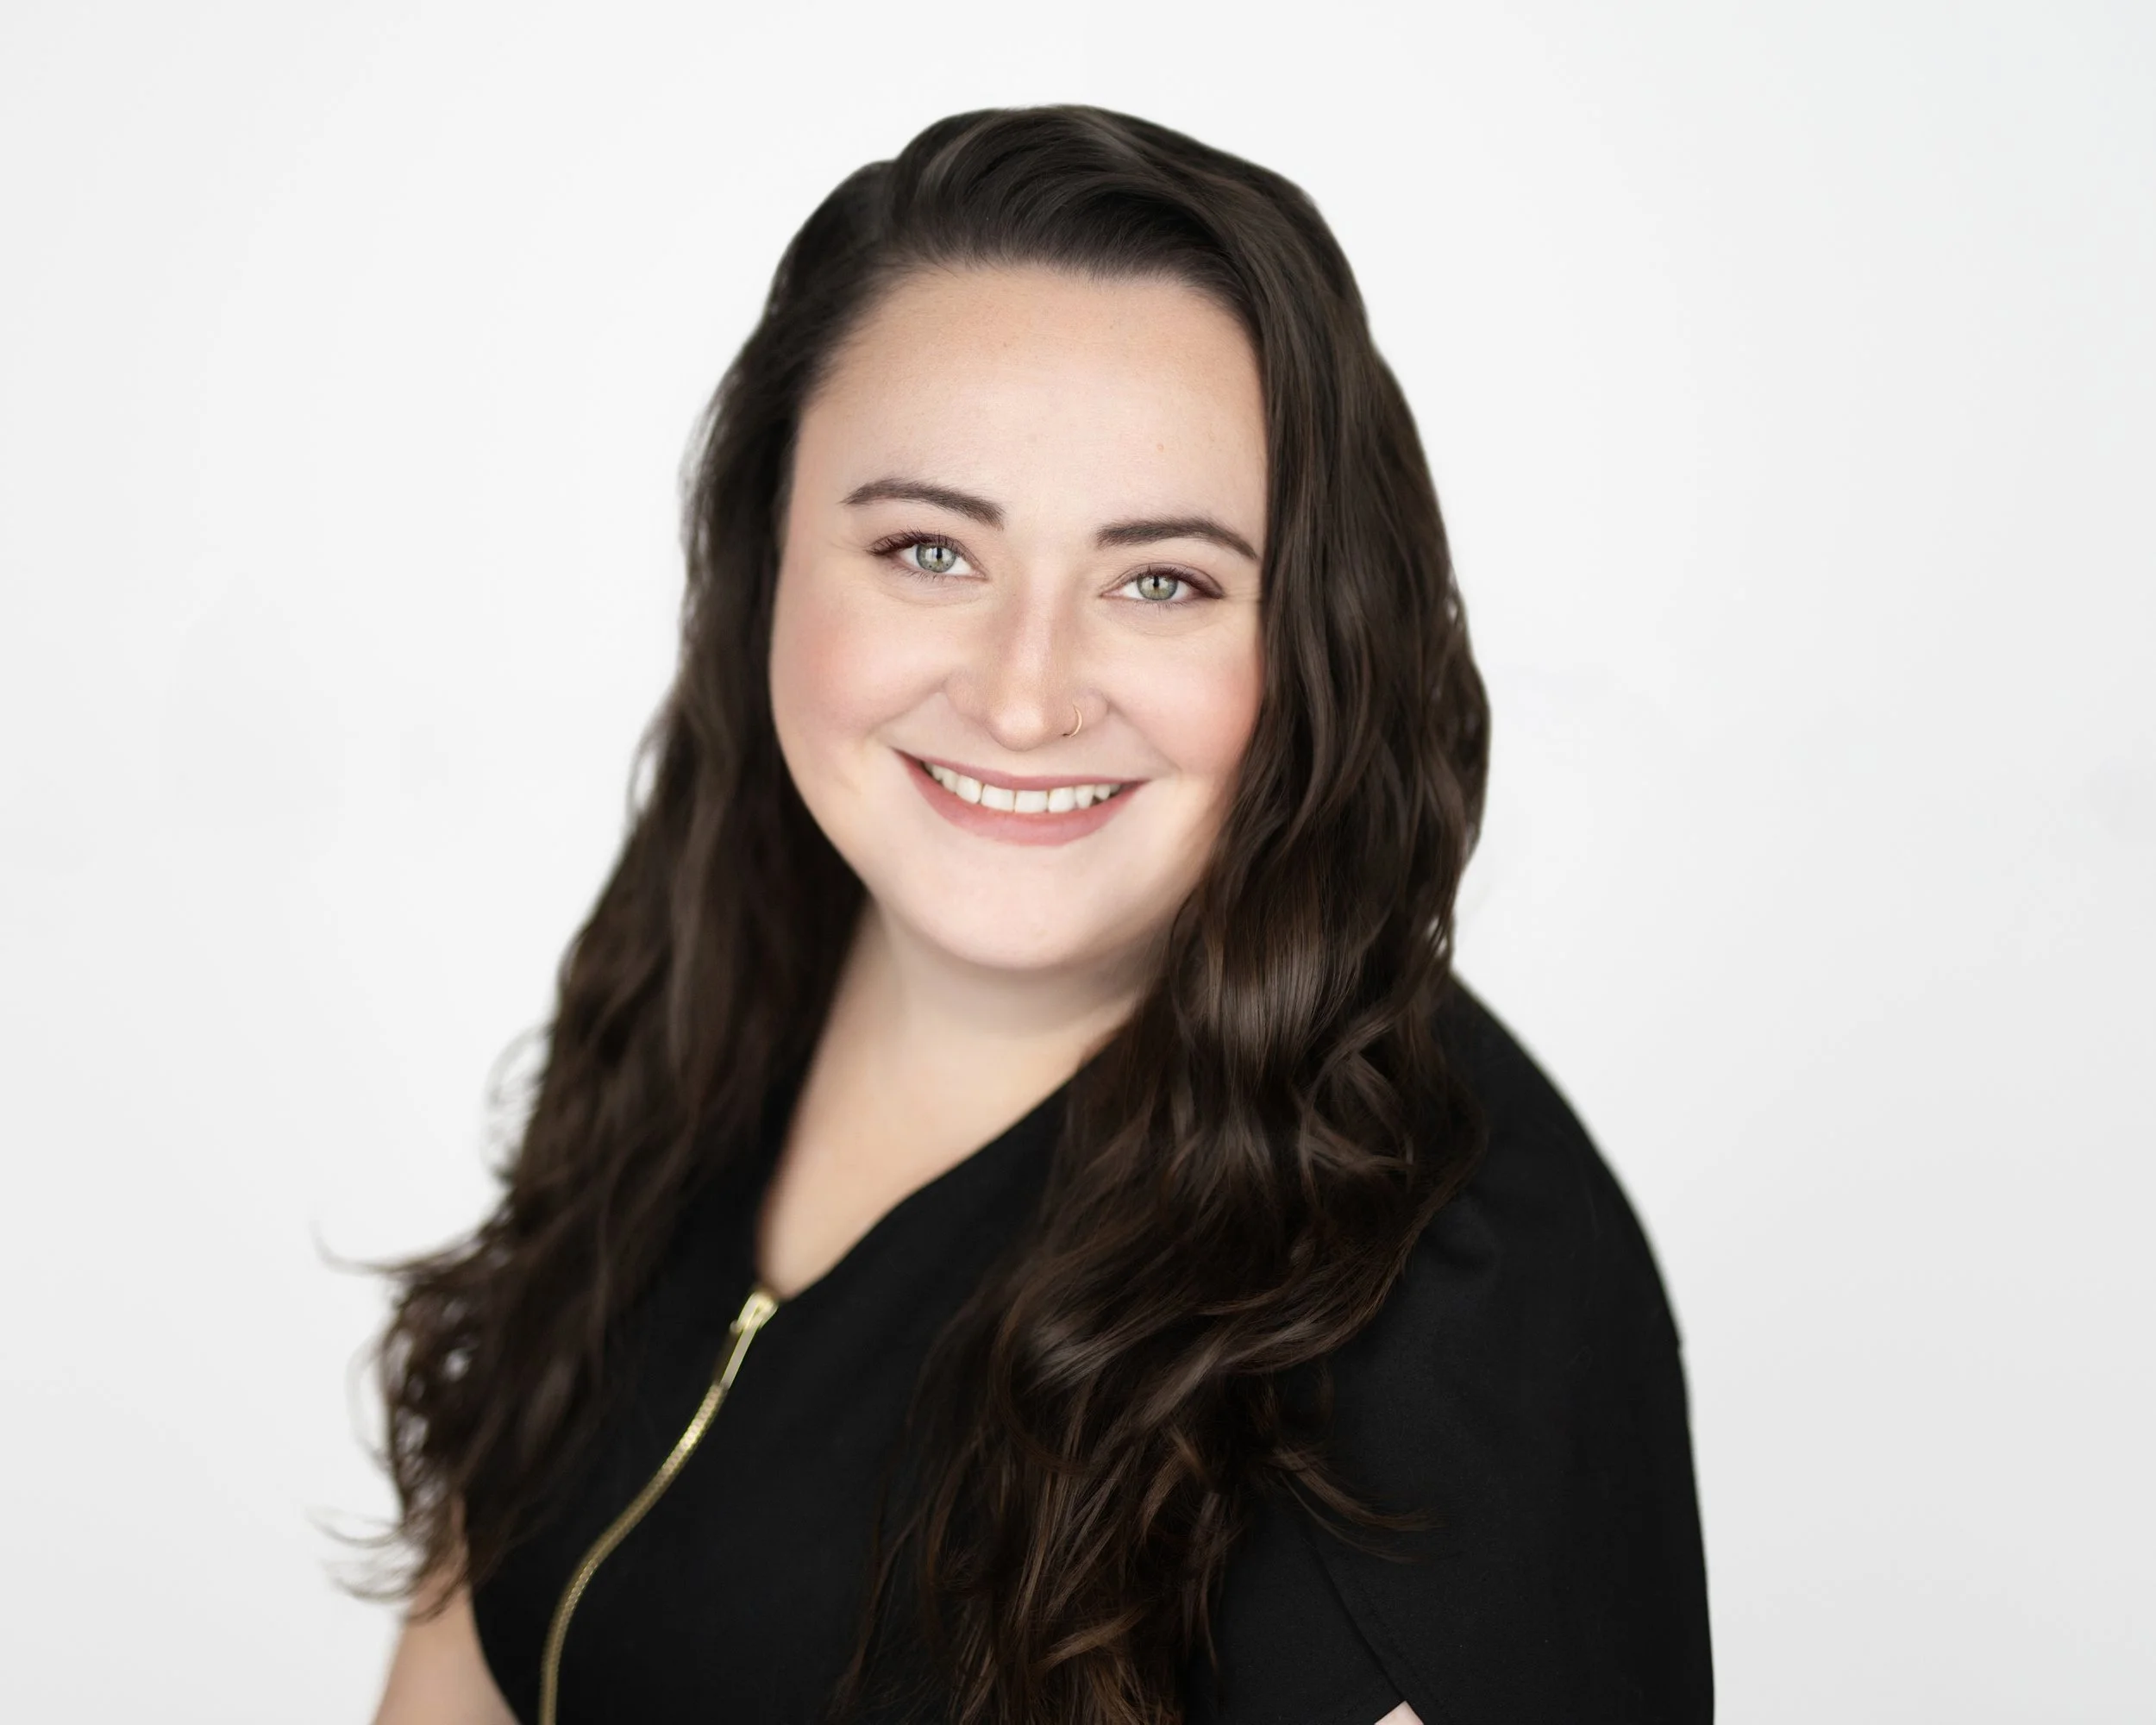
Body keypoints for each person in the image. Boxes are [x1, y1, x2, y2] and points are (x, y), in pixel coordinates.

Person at [366, 104, 1711, 1725]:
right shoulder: (718, 954)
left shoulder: (1460, 1323)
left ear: (1317, 641)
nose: (1022, 699)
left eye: (1163, 581)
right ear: (766, 557)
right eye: (929, 549)